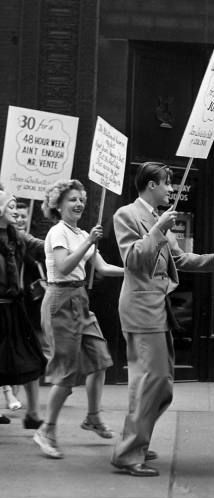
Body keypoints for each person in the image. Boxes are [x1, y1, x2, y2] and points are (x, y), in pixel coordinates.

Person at [111, 162, 214, 477]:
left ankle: (137, 443)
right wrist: (158, 228)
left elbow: (180, 259)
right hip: (140, 309)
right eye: (166, 184)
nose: (172, 190)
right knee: (152, 381)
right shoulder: (127, 215)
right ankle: (129, 453)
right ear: (150, 185)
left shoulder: (157, 220)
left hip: (157, 310)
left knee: (160, 384)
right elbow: (133, 260)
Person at [33, 179, 124, 459]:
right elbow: (63, 266)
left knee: (100, 361)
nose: (79, 204)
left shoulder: (82, 233)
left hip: (80, 299)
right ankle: (46, 430)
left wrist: (134, 272)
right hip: (60, 301)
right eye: (72, 199)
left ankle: (93, 417)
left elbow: (104, 268)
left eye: (81, 199)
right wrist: (88, 241)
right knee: (66, 374)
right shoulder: (58, 233)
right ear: (58, 205)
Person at [0, 186, 46, 427]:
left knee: (32, 359)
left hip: (14, 310)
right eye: (10, 205)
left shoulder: (18, 236)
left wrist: (70, 242)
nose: (16, 210)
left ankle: (33, 414)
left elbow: (42, 246)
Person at [2, 201, 31, 411]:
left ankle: (14, 393)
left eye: (22, 215)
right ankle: (9, 393)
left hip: (16, 303)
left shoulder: (19, 239)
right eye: (12, 209)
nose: (18, 216)